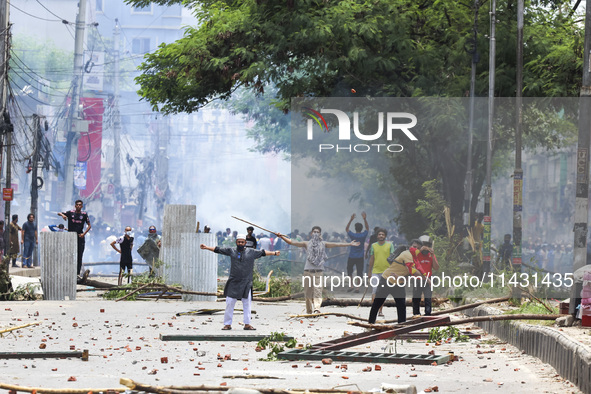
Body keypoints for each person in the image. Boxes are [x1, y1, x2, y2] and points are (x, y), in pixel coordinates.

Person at [200, 234, 280, 330]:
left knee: (247, 303)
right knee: (229, 302)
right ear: (236, 242)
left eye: (242, 242)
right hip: (234, 281)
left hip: (246, 282)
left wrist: (274, 253)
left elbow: (263, 253)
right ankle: (227, 324)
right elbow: (218, 249)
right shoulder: (231, 251)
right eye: (239, 242)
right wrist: (206, 247)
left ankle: (247, 324)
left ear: (245, 243)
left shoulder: (251, 252)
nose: (240, 243)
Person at [277, 227, 359, 314]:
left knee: (318, 291)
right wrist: (281, 237)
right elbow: (292, 242)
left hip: (318, 272)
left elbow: (336, 244)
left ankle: (316, 309)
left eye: (318, 232)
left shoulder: (323, 244)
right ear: (311, 233)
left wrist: (349, 244)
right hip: (308, 271)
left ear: (320, 234)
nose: (316, 233)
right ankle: (309, 311)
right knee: (308, 293)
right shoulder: (306, 243)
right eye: (314, 231)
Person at [368, 239, 423, 324]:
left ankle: (401, 326)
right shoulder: (407, 254)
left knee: (401, 306)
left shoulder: (416, 258)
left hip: (399, 283)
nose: (416, 249)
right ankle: (371, 323)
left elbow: (413, 275)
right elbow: (413, 271)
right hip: (387, 280)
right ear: (410, 247)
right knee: (377, 303)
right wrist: (424, 277)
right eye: (414, 247)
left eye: (418, 248)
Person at [58, 200, 92, 276]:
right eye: (77, 205)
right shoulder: (70, 213)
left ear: (82, 206)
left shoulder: (84, 214)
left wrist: (84, 234)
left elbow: (89, 225)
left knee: (79, 255)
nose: (78, 206)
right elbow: (59, 213)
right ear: (75, 206)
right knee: (69, 254)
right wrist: (63, 215)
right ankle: (68, 271)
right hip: (70, 237)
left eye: (80, 205)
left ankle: (77, 273)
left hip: (80, 236)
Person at [368, 228, 393, 317]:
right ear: (377, 236)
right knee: (374, 291)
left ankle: (380, 310)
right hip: (375, 271)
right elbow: (372, 259)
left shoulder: (390, 245)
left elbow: (392, 259)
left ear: (385, 236)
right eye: (379, 234)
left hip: (386, 272)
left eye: (382, 234)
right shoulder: (373, 246)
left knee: (381, 292)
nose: (381, 236)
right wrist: (369, 271)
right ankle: (373, 310)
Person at [412, 235, 439, 316]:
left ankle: (428, 314)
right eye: (423, 245)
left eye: (427, 245)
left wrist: (432, 255)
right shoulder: (416, 254)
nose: (425, 247)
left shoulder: (431, 255)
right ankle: (416, 314)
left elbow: (436, 268)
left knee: (428, 297)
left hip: (428, 279)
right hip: (418, 279)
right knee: (416, 298)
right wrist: (419, 250)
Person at [345, 212, 369, 293]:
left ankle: (351, 285)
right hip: (360, 257)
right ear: (361, 228)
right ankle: (357, 287)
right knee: (359, 271)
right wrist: (365, 219)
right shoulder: (363, 235)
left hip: (352, 256)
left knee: (349, 270)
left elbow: (347, 229)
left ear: (355, 228)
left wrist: (350, 220)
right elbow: (368, 229)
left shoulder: (353, 235)